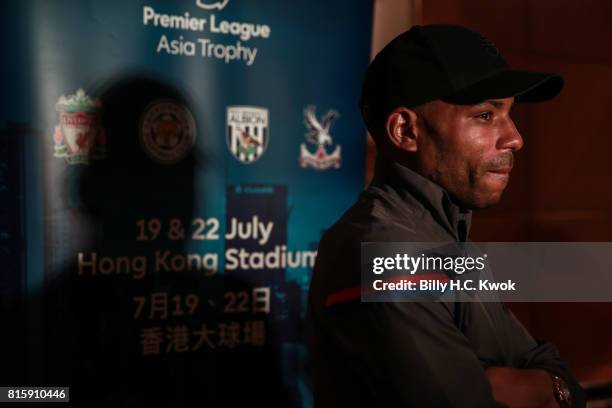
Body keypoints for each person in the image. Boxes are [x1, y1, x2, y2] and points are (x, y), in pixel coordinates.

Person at [306, 25, 585, 408]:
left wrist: (553, 387)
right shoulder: (388, 247)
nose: (515, 138)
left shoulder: (447, 239)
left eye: (509, 113)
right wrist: (544, 388)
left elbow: (555, 371)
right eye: (486, 115)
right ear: (405, 130)